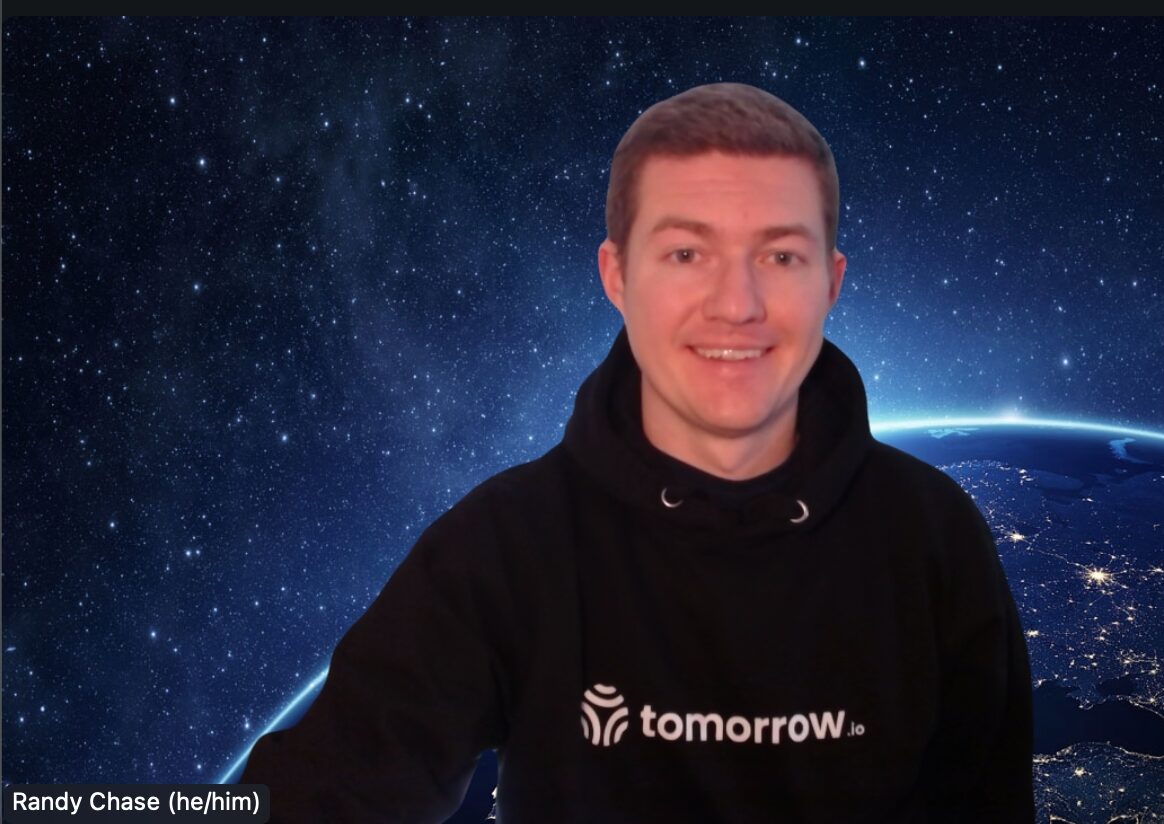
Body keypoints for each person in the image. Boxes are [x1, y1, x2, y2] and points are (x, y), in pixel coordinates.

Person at [241, 82, 1035, 823]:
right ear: (616, 275)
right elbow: (317, 791)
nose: (737, 305)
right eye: (687, 253)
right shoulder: (508, 547)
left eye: (779, 256)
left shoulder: (932, 540)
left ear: (831, 281)